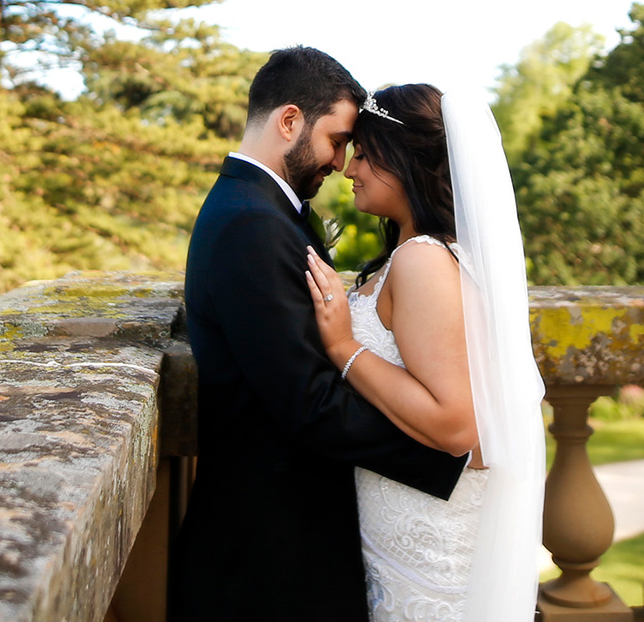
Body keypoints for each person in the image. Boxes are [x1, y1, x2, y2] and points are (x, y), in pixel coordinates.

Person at [174, 48, 468, 622]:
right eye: (338, 140)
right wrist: (450, 455)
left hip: (303, 537)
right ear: (289, 122)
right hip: (269, 551)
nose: (341, 163)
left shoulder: (263, 211)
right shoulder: (251, 224)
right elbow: (307, 402)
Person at [305, 83, 547, 622]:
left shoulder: (423, 260)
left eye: (364, 154)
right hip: (401, 520)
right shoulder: (423, 254)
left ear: (405, 159)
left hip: (426, 539)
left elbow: (455, 423)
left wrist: (343, 346)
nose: (349, 169)